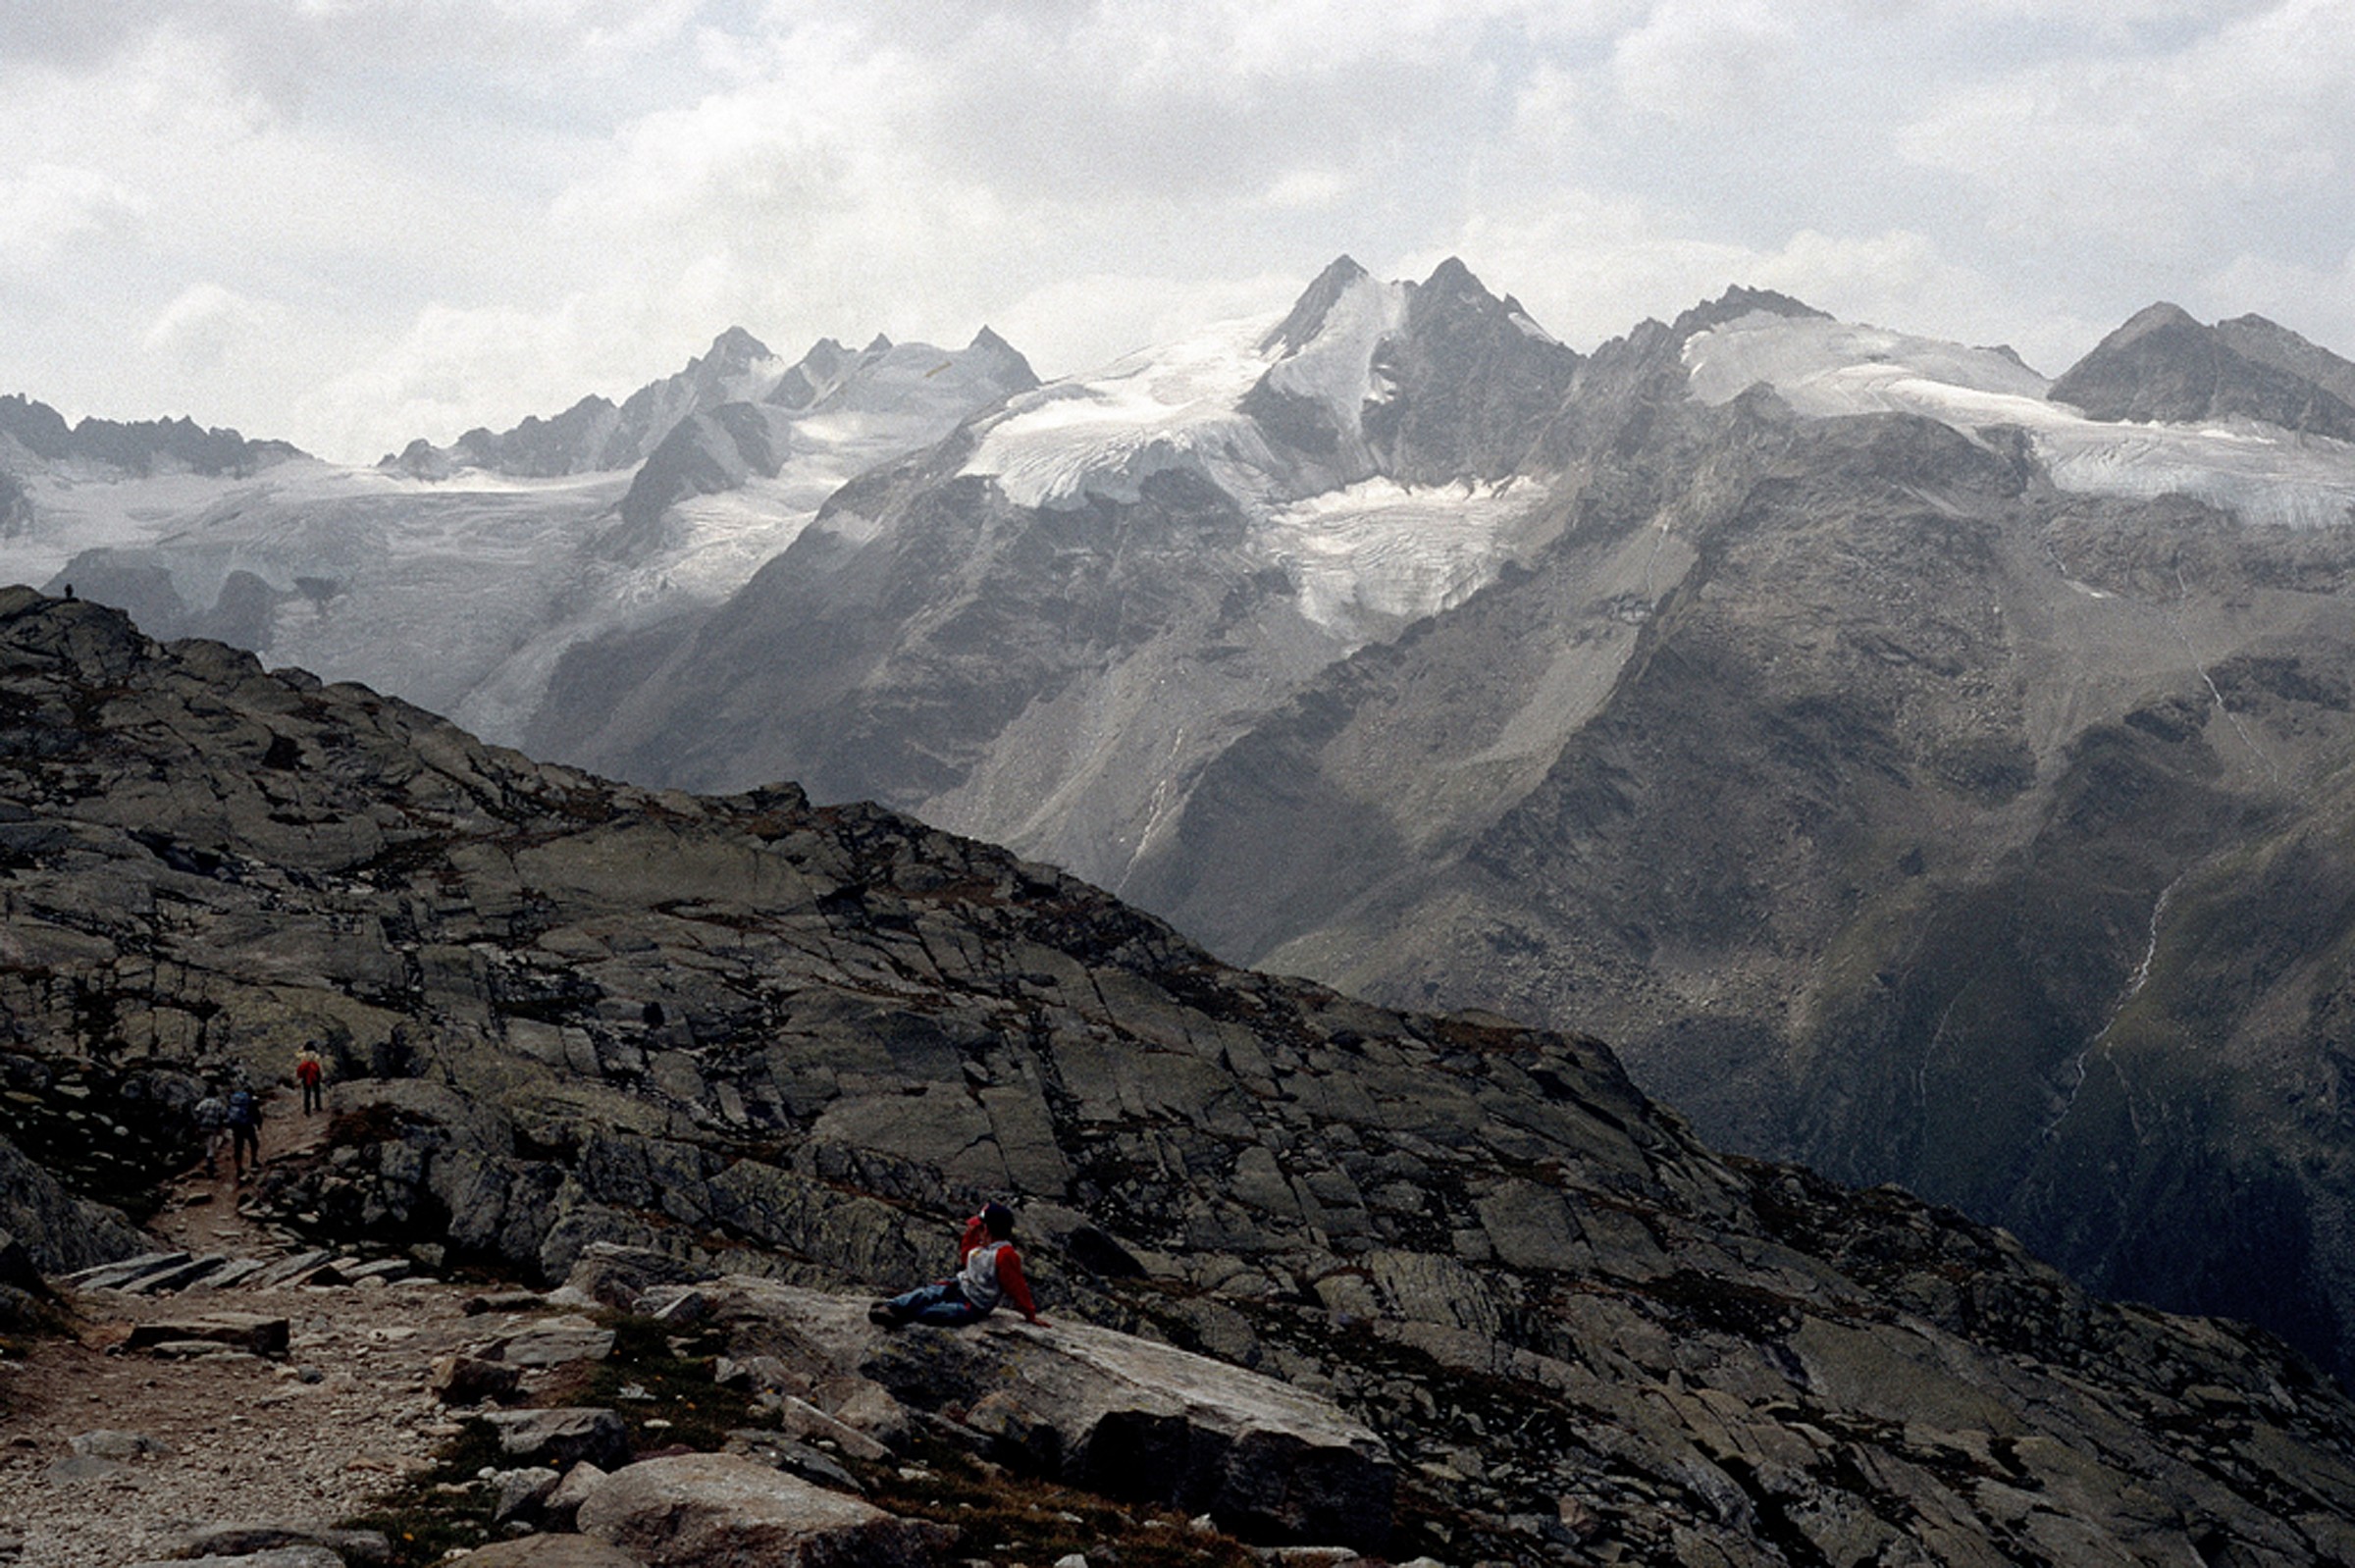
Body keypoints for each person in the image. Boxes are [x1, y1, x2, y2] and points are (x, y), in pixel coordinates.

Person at [870, 1202, 1045, 1328]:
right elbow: (966, 1258)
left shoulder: (1005, 1255)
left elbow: (1016, 1286)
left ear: (987, 1230)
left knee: (942, 1312)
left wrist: (1029, 1314)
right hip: (959, 1285)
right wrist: (970, 1235)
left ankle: (899, 1315)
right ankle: (893, 1305)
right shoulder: (980, 1247)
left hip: (975, 1304)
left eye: (979, 1229)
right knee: (930, 1292)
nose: (976, 1233)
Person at [226, 1085, 262, 1177]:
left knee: (238, 1147)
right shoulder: (251, 1101)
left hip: (236, 1126)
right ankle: (253, 1161)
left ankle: (239, 1168)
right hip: (247, 1125)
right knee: (254, 1143)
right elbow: (256, 1113)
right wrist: (259, 1124)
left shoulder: (234, 1100)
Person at [191, 1087, 228, 1176]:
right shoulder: (218, 1103)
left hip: (202, 1126)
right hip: (213, 1127)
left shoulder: (202, 1103)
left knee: (203, 1145)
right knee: (211, 1147)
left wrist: (197, 1125)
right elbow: (224, 1113)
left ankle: (201, 1163)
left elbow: (196, 1113)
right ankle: (210, 1167)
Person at [294, 1046, 325, 1115]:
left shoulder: (303, 1055)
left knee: (307, 1094)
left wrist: (300, 1049)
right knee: (317, 1092)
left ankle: (307, 1110)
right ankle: (318, 1106)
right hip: (315, 1075)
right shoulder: (316, 1056)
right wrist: (321, 1076)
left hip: (306, 1076)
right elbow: (319, 1067)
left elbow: (296, 1054)